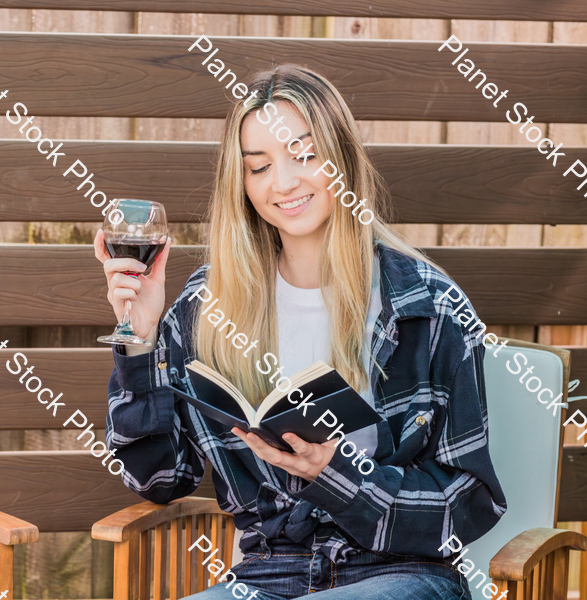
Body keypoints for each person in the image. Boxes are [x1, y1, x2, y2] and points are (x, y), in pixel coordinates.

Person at [93, 65, 505, 600]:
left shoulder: (427, 305)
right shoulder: (206, 307)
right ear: (240, 183)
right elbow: (157, 481)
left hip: (399, 574)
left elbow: (469, 503)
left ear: (343, 159)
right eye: (259, 167)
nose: (283, 183)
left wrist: (338, 480)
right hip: (267, 575)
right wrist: (140, 339)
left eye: (304, 156)